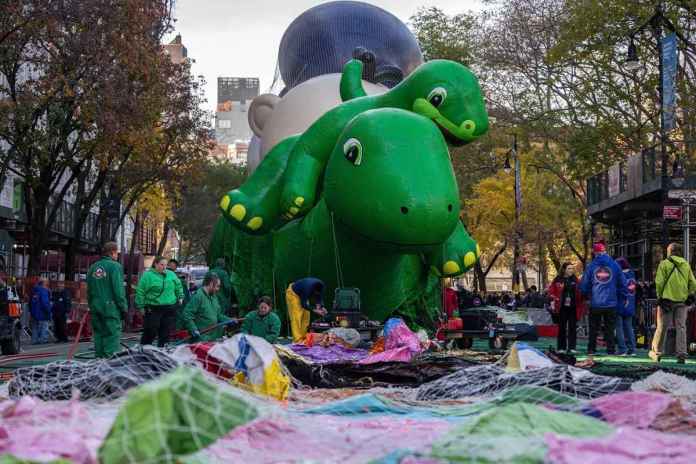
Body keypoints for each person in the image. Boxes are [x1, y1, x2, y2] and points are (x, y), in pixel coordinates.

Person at [650, 243, 696, 364]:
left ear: (669, 251)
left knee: (662, 327)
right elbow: (693, 283)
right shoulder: (685, 264)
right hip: (682, 301)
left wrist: (660, 297)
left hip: (667, 301)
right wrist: (690, 295)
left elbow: (659, 282)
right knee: (681, 327)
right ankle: (681, 354)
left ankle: (657, 353)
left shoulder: (664, 264)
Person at [580, 242, 628, 356]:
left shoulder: (591, 266)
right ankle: (610, 350)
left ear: (595, 253)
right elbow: (623, 283)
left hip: (595, 303)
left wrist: (585, 295)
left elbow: (584, 284)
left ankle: (591, 349)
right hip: (611, 303)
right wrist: (623, 297)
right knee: (610, 328)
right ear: (605, 251)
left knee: (593, 328)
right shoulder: (615, 265)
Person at [87, 242, 128, 358]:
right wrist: (123, 308)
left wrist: (91, 305)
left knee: (98, 335)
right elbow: (118, 290)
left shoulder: (93, 267)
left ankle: (98, 364)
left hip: (95, 307)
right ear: (113, 253)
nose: (117, 255)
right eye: (117, 253)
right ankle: (110, 365)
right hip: (111, 308)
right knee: (112, 337)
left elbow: (89, 290)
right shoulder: (115, 266)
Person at [135, 256, 184, 347]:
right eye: (162, 265)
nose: (164, 267)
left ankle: (163, 350)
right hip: (153, 308)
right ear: (155, 264)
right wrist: (141, 306)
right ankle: (144, 349)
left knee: (165, 332)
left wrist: (180, 297)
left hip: (169, 307)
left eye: (166, 265)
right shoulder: (148, 275)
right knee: (150, 331)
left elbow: (178, 286)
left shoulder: (171, 274)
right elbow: (140, 291)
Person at [181, 272, 234, 341]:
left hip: (213, 337)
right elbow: (187, 314)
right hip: (202, 338)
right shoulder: (198, 296)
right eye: (217, 286)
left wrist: (228, 320)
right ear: (211, 284)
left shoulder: (214, 296)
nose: (218, 289)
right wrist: (193, 329)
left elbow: (218, 315)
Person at [548, 262, 584, 353]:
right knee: (562, 328)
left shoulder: (575, 280)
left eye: (572, 268)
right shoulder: (558, 279)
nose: (571, 270)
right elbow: (551, 291)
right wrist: (553, 298)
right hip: (562, 307)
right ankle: (561, 348)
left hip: (573, 307)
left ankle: (572, 347)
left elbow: (580, 291)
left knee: (572, 327)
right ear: (564, 269)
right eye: (569, 268)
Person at [286, 277, 327, 342]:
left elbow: (320, 297)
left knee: (306, 316)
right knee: (296, 317)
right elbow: (304, 305)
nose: (315, 295)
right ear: (313, 290)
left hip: (302, 293)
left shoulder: (321, 286)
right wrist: (315, 310)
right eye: (315, 293)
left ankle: (303, 337)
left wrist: (322, 307)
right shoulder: (307, 288)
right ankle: (297, 340)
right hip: (293, 293)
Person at [614, 257, 637, 356]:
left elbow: (618, 289)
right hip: (631, 304)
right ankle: (632, 349)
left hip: (620, 303)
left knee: (619, 327)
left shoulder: (619, 275)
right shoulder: (632, 274)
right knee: (629, 327)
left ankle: (622, 349)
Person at [29, 278, 52, 344]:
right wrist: (49, 310)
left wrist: (31, 311)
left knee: (35, 327)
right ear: (44, 283)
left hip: (34, 312)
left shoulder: (34, 290)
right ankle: (43, 339)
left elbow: (30, 302)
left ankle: (34, 340)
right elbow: (45, 303)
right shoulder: (43, 291)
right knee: (44, 326)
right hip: (42, 313)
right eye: (47, 282)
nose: (48, 283)